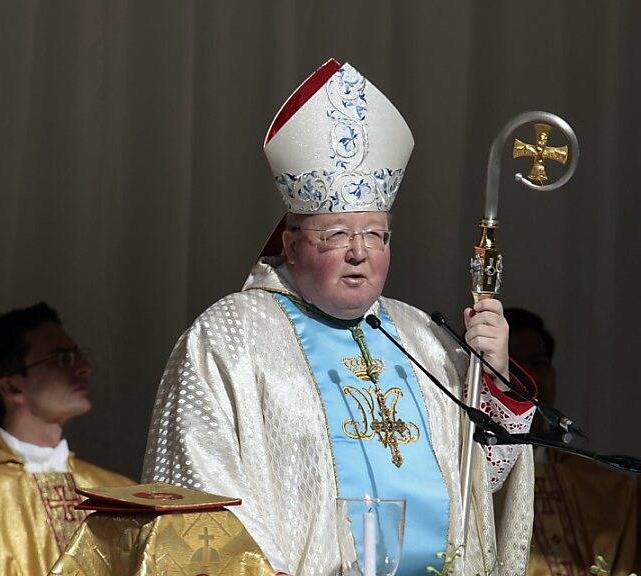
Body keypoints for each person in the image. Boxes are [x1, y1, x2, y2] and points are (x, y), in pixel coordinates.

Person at [142, 59, 537, 576]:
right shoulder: (230, 337)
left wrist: (495, 376)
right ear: (290, 244)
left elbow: (481, 486)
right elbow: (197, 487)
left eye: (375, 234)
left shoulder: (421, 337)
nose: (359, 252)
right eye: (335, 234)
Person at [0, 302, 133, 576]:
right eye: (61, 358)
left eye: (79, 354)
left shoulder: (119, 493)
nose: (84, 367)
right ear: (12, 387)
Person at [507, 308, 641, 575]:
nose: (529, 379)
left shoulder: (612, 493)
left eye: (538, 364)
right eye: (512, 367)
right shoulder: (464, 477)